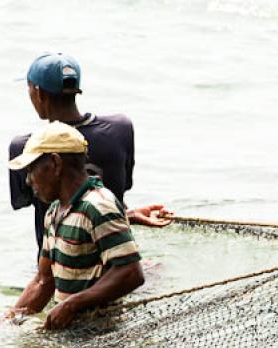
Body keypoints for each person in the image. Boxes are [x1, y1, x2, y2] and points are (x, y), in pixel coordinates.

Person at [9, 52, 172, 255]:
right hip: (114, 252)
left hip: (61, 263)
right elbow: (101, 205)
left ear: (39, 93)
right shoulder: (120, 129)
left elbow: (40, 204)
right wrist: (128, 215)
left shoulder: (25, 149)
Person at [7, 122, 145, 329]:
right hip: (71, 332)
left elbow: (130, 273)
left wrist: (72, 304)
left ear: (55, 163)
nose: (28, 181)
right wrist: (9, 320)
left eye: (31, 170)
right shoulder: (53, 212)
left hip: (100, 334)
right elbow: (43, 281)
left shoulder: (98, 206)